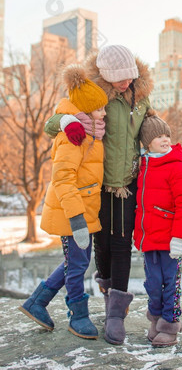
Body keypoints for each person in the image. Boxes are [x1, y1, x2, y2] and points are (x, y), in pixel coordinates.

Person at [44, 44, 154, 345]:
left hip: (126, 184)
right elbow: (52, 123)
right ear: (105, 75)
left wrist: (165, 145)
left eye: (130, 77)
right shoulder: (92, 95)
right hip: (96, 185)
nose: (126, 83)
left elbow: (152, 126)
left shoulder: (139, 97)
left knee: (121, 245)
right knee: (100, 247)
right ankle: (91, 296)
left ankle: (116, 313)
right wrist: (71, 122)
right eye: (120, 78)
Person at [19, 64, 108, 340]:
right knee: (78, 264)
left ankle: (37, 301)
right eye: (100, 109)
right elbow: (63, 179)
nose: (104, 113)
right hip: (74, 214)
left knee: (75, 261)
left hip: (84, 211)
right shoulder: (74, 138)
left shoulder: (91, 133)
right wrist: (77, 218)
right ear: (85, 111)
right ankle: (77, 315)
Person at [134, 114, 182, 347]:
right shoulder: (143, 165)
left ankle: (170, 323)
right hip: (149, 237)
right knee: (152, 282)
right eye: (159, 136)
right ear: (147, 141)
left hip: (170, 238)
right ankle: (156, 319)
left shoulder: (176, 166)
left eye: (167, 135)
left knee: (170, 282)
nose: (165, 139)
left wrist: (179, 236)